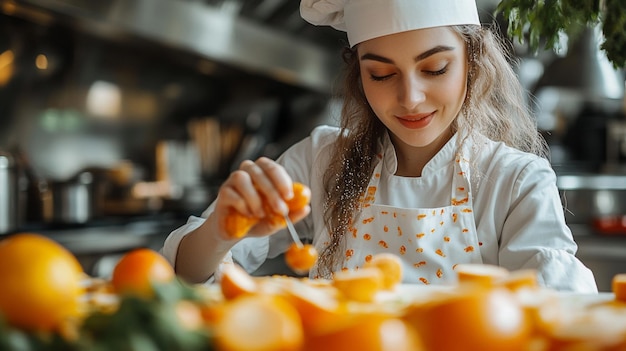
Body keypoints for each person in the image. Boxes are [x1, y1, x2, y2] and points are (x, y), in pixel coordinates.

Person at [162, 0, 598, 293]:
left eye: (435, 68)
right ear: (358, 77)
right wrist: (222, 229)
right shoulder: (322, 160)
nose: (410, 98)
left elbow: (560, 308)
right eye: (382, 75)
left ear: (473, 62)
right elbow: (185, 280)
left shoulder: (515, 181)